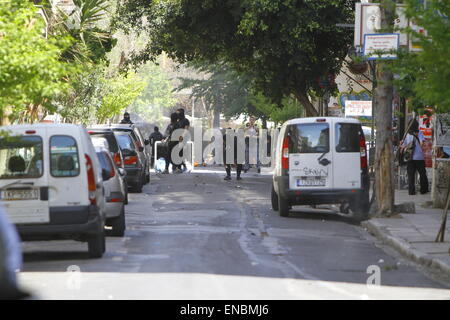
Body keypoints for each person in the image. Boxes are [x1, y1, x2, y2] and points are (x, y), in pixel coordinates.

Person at [400, 120, 429, 195]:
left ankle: (411, 191)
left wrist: (404, 145)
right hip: (419, 157)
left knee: (411, 175)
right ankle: (423, 190)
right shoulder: (419, 133)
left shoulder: (407, 134)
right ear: (417, 125)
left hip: (410, 157)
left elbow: (402, 146)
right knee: (422, 174)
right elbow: (422, 144)